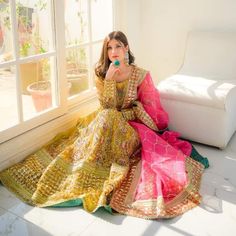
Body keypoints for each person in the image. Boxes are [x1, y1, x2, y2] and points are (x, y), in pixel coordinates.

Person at [0, 31, 208, 219]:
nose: (114, 51)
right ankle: (87, 169)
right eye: (109, 48)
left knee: (110, 117)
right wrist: (109, 80)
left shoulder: (141, 75)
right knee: (106, 118)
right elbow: (106, 107)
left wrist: (129, 111)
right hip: (106, 123)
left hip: (132, 128)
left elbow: (152, 112)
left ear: (127, 48)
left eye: (118, 46)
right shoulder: (101, 73)